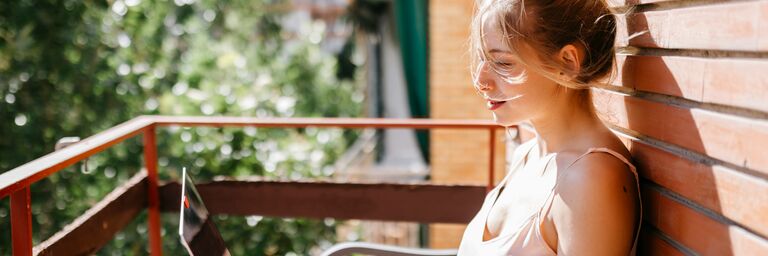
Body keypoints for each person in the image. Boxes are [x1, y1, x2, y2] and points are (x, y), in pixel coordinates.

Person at [457, 0, 642, 255]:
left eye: (503, 63)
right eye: (482, 58)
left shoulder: (590, 179)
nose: (480, 81)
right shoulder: (528, 153)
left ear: (567, 62)